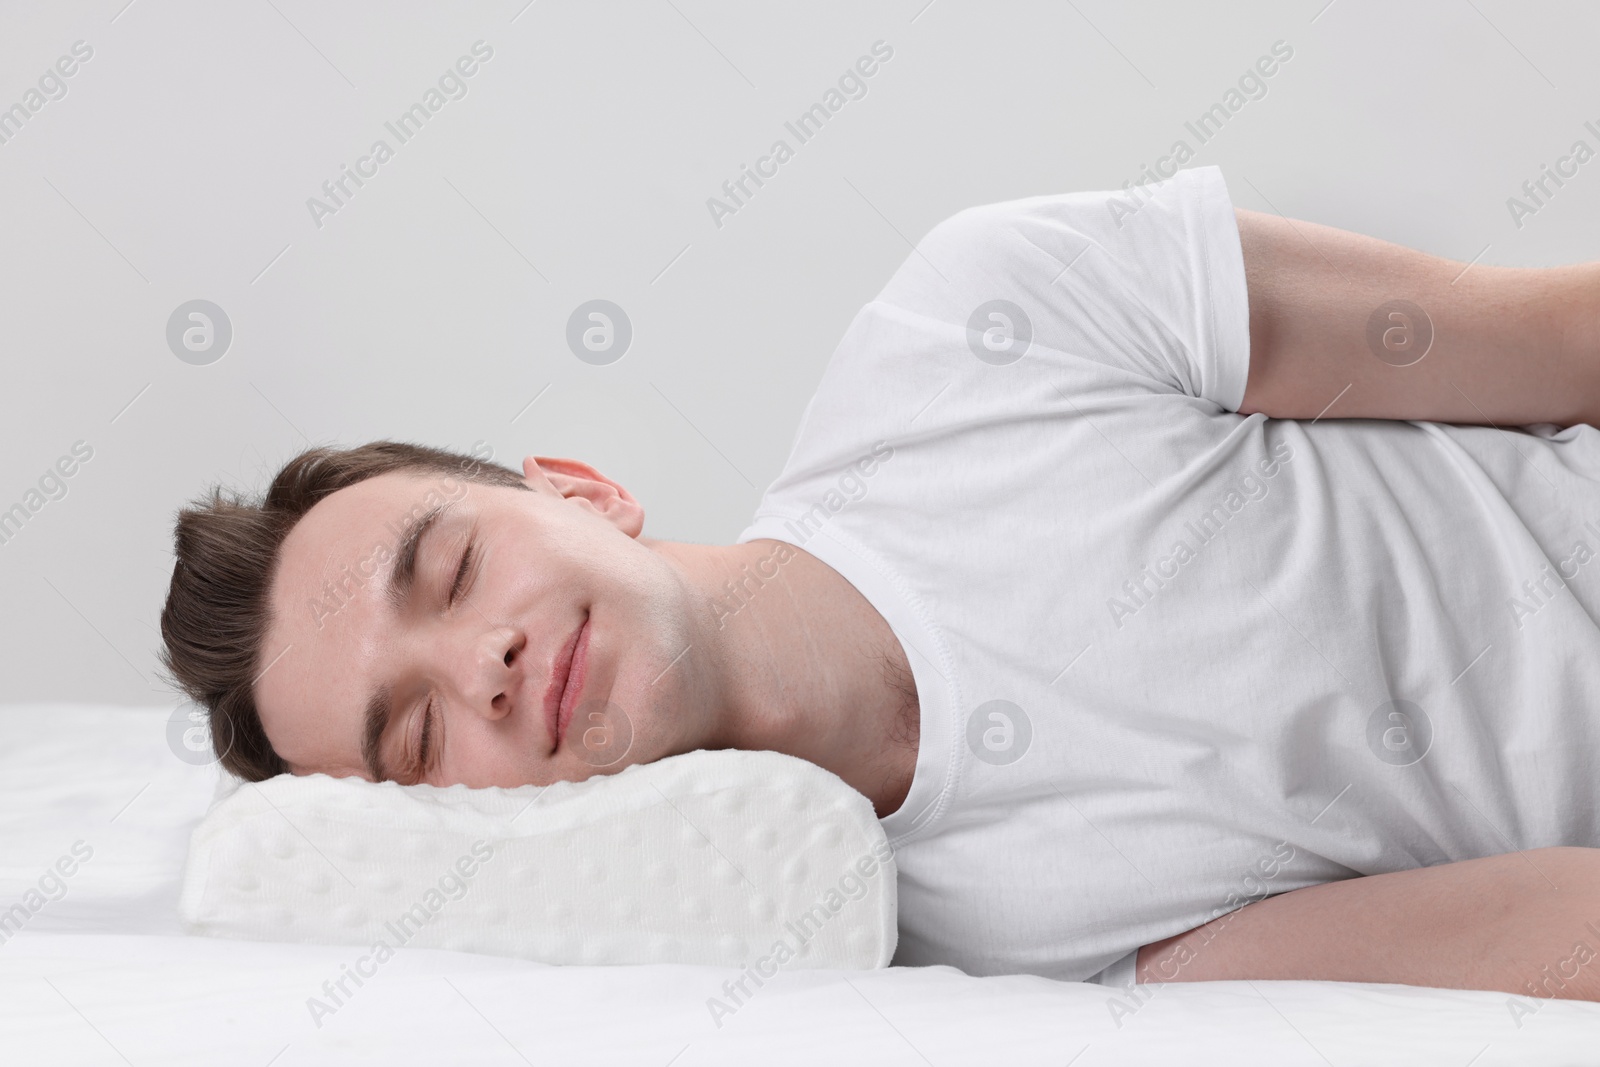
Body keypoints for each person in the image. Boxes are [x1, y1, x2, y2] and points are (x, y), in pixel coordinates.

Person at [159, 164, 1600, 1005]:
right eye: (417, 736)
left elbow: (1559, 338)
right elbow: (1529, 923)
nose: (479, 667)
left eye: (455, 568)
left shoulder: (986, 320)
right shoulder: (975, 950)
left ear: (582, 491)